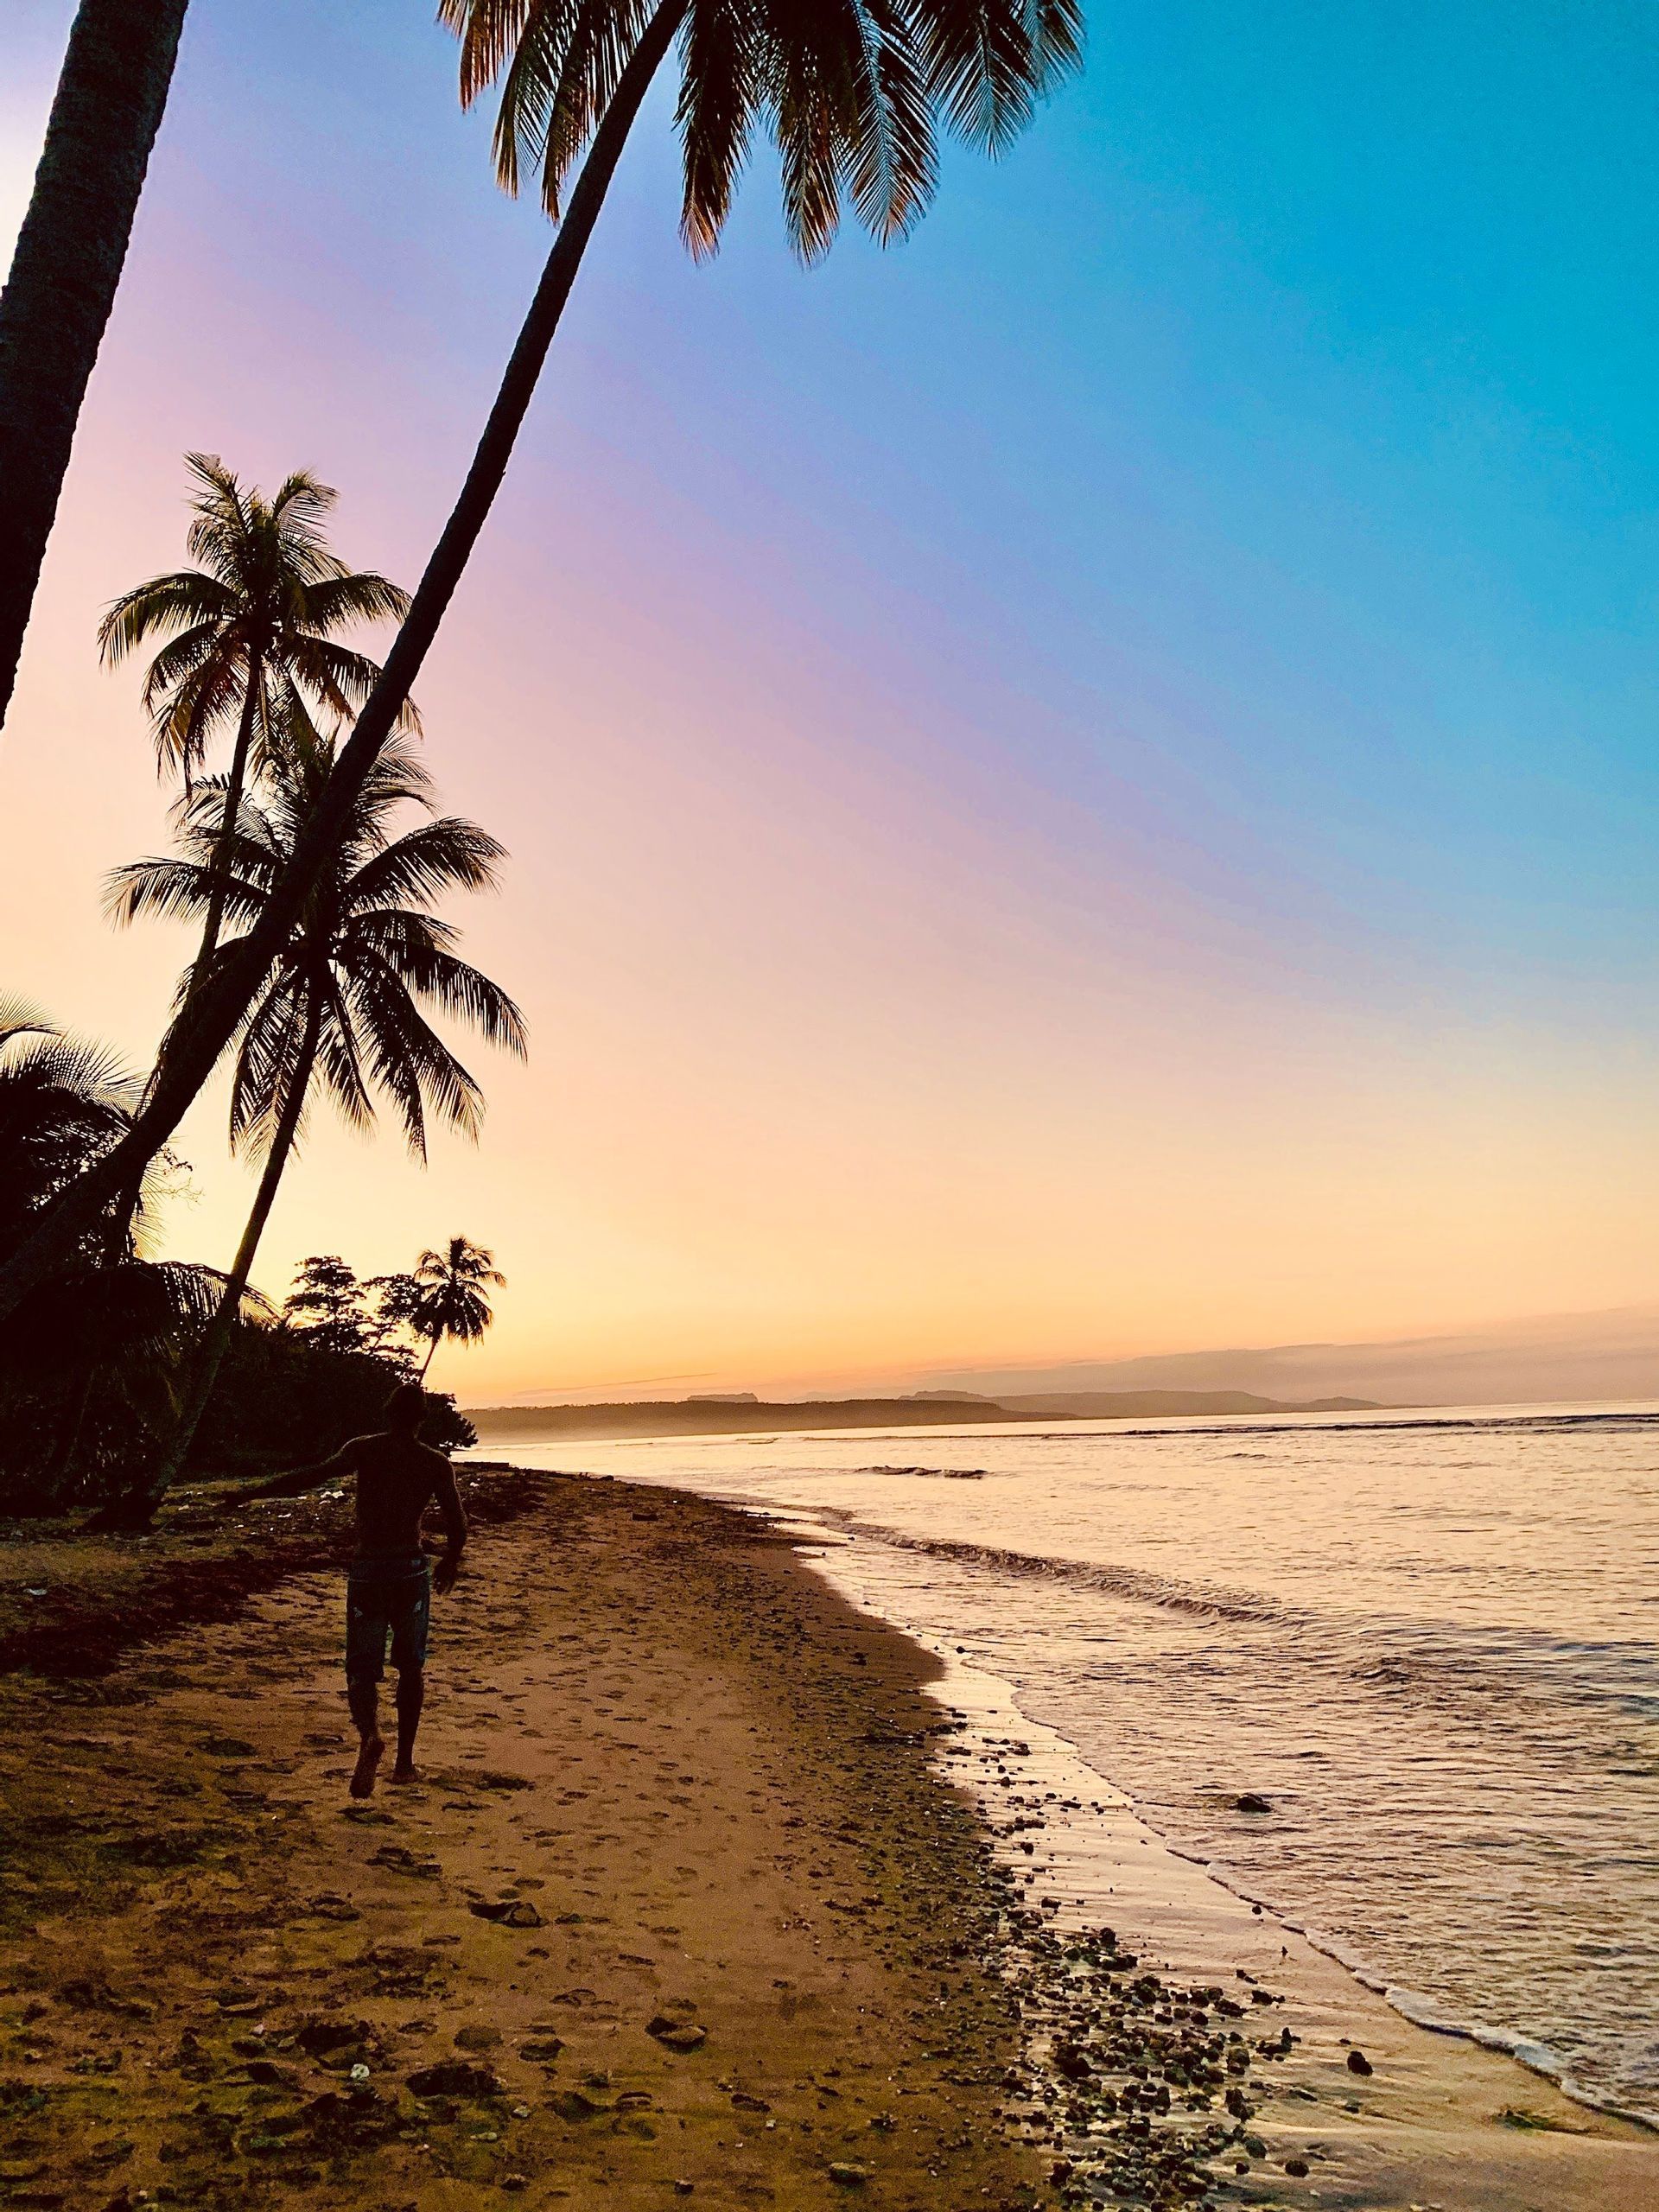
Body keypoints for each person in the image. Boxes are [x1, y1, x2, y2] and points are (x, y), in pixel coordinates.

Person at [239, 1382, 467, 1796]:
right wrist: (450, 1560)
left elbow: (312, 1475)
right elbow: (457, 1521)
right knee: (411, 1666)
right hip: (409, 1570)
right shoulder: (434, 1463)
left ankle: (369, 1736)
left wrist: (255, 1490)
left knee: (361, 1668)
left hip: (368, 1570)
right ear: (421, 1420)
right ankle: (404, 1764)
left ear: (387, 1413)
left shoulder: (363, 1449)